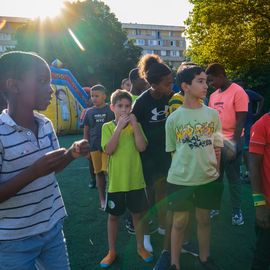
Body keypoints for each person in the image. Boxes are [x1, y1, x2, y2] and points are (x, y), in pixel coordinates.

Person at [0, 51, 89, 269]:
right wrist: (34, 171)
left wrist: (71, 154)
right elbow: (39, 170)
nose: (50, 89)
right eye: (42, 81)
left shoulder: (46, 124)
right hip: (12, 241)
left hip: (51, 228)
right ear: (13, 86)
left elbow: (51, 168)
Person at [166, 66, 223, 270]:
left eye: (206, 81)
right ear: (185, 86)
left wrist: (215, 170)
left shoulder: (213, 115)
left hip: (207, 178)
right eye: (200, 81)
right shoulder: (173, 119)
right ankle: (174, 263)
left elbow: (217, 146)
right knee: (179, 221)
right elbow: (172, 151)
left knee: (204, 219)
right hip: (180, 179)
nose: (206, 85)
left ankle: (204, 258)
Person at [100, 89, 153, 268]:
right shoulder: (106, 127)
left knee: (138, 215)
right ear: (112, 107)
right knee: (113, 217)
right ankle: (112, 251)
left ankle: (140, 247)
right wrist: (118, 128)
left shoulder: (134, 126)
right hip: (116, 183)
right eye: (120, 106)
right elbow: (109, 150)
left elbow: (142, 147)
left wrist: (135, 125)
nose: (124, 110)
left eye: (127, 106)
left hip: (136, 181)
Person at [132, 54, 174, 253]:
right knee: (148, 194)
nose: (171, 87)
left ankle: (163, 225)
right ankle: (146, 231)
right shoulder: (141, 102)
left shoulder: (171, 97)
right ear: (154, 85)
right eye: (167, 84)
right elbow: (133, 129)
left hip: (166, 153)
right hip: (148, 155)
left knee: (163, 191)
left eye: (172, 82)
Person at [207, 63, 248, 225]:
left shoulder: (238, 92)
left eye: (212, 80)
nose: (210, 84)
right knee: (216, 177)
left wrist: (235, 144)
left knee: (233, 178)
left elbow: (241, 120)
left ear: (221, 75)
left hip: (232, 140)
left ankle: (237, 211)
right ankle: (215, 207)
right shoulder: (213, 96)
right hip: (217, 141)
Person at [83, 84, 114, 209]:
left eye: (97, 96)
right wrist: (86, 147)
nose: (94, 98)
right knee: (99, 173)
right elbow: (86, 131)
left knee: (109, 172)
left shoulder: (110, 110)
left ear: (104, 96)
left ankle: (112, 196)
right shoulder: (89, 112)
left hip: (108, 148)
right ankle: (102, 199)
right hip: (94, 147)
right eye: (92, 96)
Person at [249, 112, 270, 270]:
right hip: (268, 204)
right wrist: (259, 204)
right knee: (263, 256)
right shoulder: (262, 124)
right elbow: (253, 166)